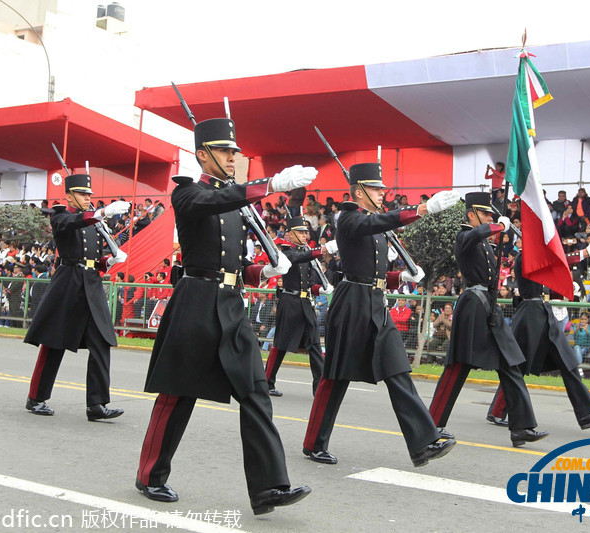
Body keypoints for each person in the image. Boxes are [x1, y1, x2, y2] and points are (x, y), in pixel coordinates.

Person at [135, 117, 315, 513]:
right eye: (224, 151)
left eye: (234, 151)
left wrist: (262, 272)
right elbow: (212, 203)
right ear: (202, 155)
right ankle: (150, 474)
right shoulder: (188, 194)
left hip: (231, 305)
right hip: (196, 303)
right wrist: (268, 187)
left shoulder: (235, 202)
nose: (233, 157)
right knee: (177, 394)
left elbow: (233, 265)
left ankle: (270, 488)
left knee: (256, 391)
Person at [302, 163, 461, 466]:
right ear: (359, 192)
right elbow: (372, 231)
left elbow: (371, 270)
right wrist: (423, 209)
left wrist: (400, 278)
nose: (382, 192)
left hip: (376, 301)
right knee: (335, 376)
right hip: (351, 304)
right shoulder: (348, 218)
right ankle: (314, 443)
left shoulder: (373, 221)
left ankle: (423, 443)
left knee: (397, 370)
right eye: (376, 188)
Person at [428, 192, 548, 448]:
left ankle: (522, 427)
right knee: (458, 367)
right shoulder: (465, 237)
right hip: (472, 305)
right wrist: (497, 226)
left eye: (491, 215)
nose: (489, 219)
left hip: (488, 307)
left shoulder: (485, 242)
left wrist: (502, 234)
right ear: (471, 214)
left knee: (511, 364)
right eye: (485, 215)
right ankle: (432, 424)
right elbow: (475, 234)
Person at [24, 174, 130, 419]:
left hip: (91, 285)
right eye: (82, 194)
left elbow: (92, 258)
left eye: (89, 195)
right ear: (69, 195)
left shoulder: (93, 221)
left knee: (102, 341)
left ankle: (96, 405)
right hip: (68, 285)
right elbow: (71, 224)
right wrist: (102, 213)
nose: (87, 198)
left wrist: (108, 261)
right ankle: (36, 398)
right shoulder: (61, 215)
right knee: (53, 343)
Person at [486, 242, 590, 430]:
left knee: (568, 362)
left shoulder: (535, 256)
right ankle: (497, 411)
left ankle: (586, 413)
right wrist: (585, 252)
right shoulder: (525, 258)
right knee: (516, 367)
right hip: (530, 314)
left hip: (542, 311)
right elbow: (557, 262)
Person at [264, 216, 331, 397]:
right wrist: (321, 250)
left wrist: (322, 289)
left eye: (305, 232)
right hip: (290, 302)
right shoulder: (286, 252)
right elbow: (296, 258)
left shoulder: (308, 253)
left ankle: (320, 388)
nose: (304, 235)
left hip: (305, 302)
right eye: (300, 232)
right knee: (280, 345)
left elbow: (311, 283)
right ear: (290, 235)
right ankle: (267, 383)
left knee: (315, 345)